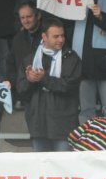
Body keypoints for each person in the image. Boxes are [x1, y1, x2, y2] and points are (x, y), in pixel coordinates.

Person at [16, 18, 81, 152]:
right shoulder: (29, 59)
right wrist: (30, 80)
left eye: (62, 35)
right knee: (42, 171)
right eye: (56, 36)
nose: (61, 40)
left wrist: (43, 78)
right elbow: (21, 91)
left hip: (63, 126)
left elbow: (69, 87)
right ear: (44, 37)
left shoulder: (71, 58)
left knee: (63, 170)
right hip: (38, 125)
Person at [7, 2, 42, 99]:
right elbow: (11, 64)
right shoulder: (17, 38)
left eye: (29, 16)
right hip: (24, 92)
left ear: (38, 16)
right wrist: (17, 83)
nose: (26, 21)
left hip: (44, 91)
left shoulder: (48, 36)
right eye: (22, 18)